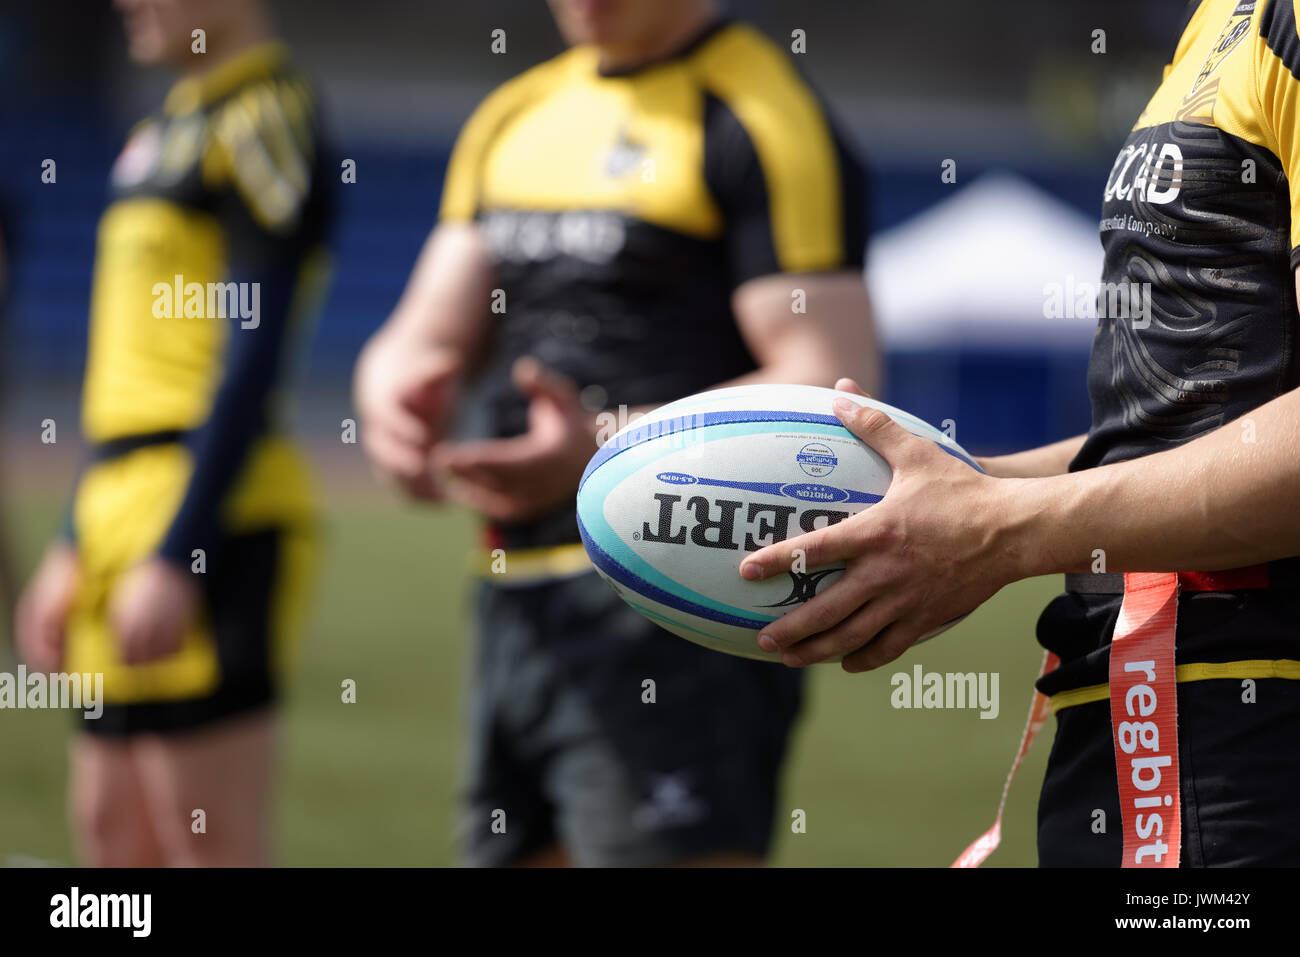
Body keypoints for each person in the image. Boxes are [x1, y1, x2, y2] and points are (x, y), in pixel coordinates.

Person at [741, 0, 1300, 867]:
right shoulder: (1217, 22)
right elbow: (1171, 430)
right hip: (1142, 703)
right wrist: (953, 487)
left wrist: (995, 530)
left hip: (1247, 718)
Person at [354, 0, 876, 866]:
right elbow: (424, 331)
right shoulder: (511, 116)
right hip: (514, 597)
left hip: (677, 607)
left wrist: (600, 454)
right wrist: (391, 392)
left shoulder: (764, 114)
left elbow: (828, 381)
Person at [13, 0, 332, 866]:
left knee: (208, 845)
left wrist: (177, 549)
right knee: (114, 839)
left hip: (209, 511)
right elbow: (131, 368)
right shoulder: (165, 127)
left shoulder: (265, 115)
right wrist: (75, 539)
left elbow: (251, 354)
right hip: (116, 502)